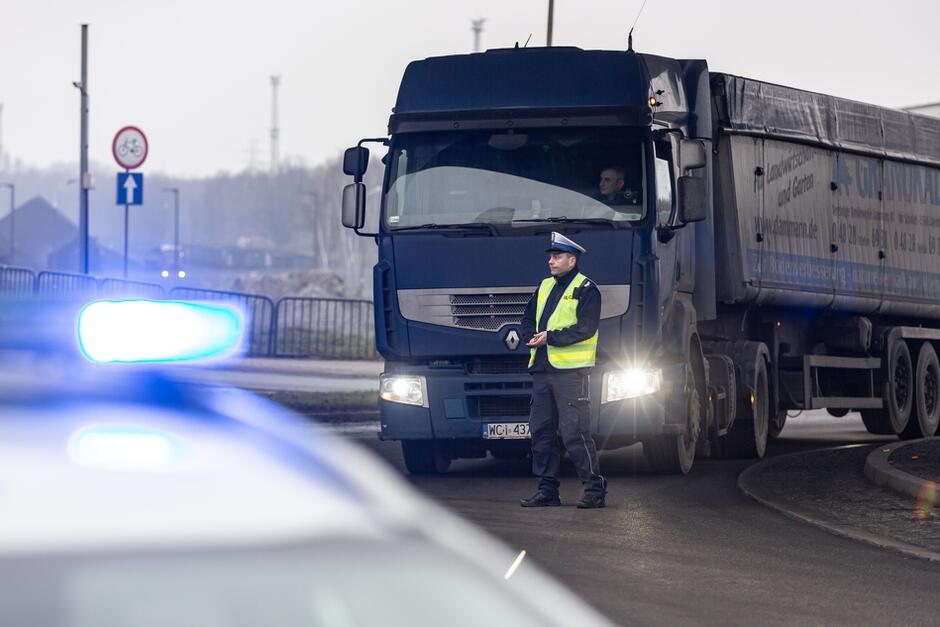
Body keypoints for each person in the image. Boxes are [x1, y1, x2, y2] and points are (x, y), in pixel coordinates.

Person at [518, 231, 607, 509]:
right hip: (542, 371)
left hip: (571, 373)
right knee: (541, 432)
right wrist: (528, 335)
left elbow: (585, 328)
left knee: (574, 433)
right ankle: (547, 492)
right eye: (550, 257)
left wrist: (550, 337)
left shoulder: (586, 289)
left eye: (557, 257)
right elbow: (527, 318)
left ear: (572, 259)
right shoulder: (544, 286)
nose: (551, 262)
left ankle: (594, 489)